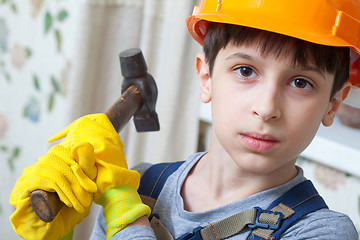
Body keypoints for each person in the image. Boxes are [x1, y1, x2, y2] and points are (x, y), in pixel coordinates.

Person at [9, 0, 360, 239]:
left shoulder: (321, 230)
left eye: (301, 83)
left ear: (333, 102)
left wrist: (121, 206)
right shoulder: (145, 185)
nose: (267, 108)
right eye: (245, 70)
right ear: (206, 77)